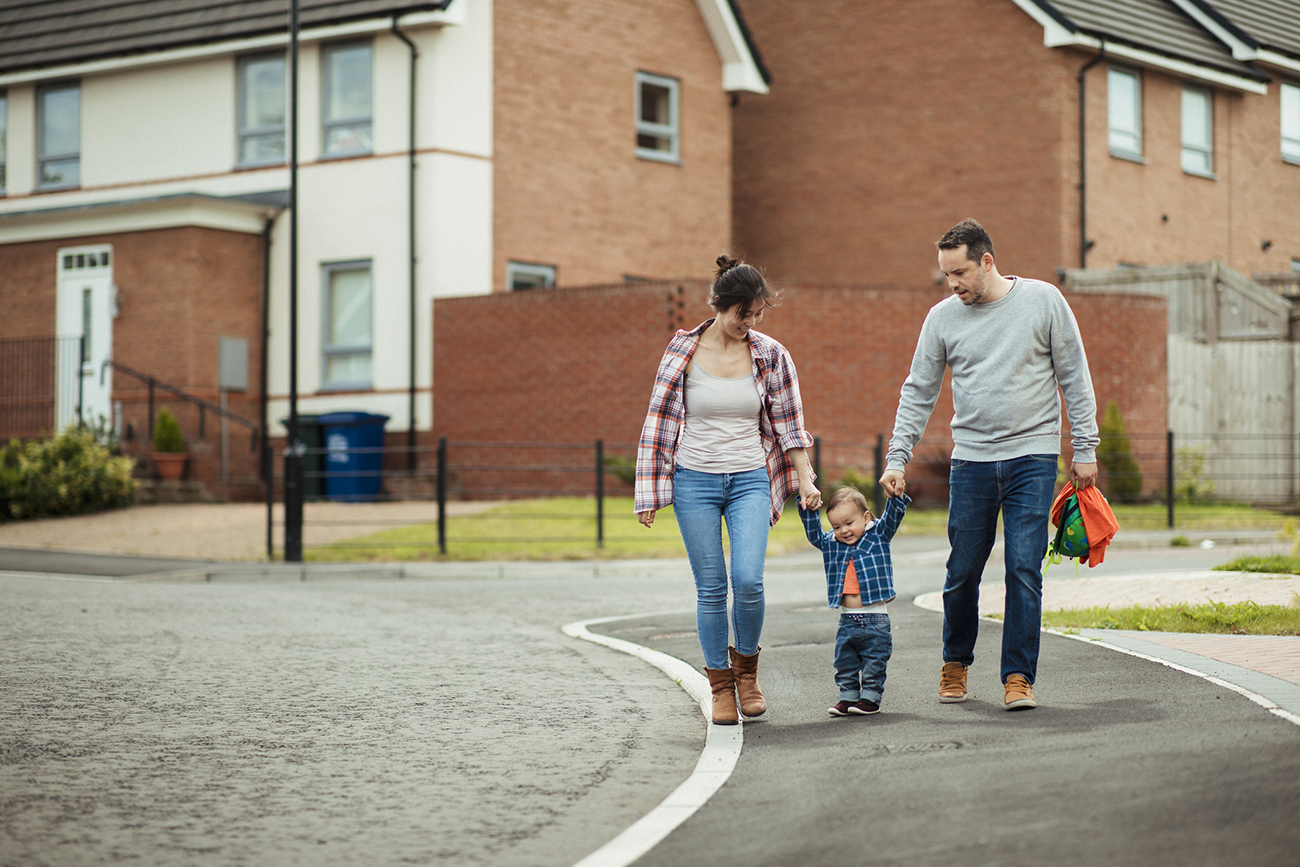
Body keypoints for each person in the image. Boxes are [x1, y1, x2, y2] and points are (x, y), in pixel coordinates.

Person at [879, 218, 1098, 711]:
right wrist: (897, 457)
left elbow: (1074, 376)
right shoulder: (941, 318)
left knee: (1023, 568)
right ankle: (955, 661)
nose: (952, 284)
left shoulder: (1043, 301)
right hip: (972, 461)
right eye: (945, 275)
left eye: (959, 273)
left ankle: (1018, 676)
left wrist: (1084, 447)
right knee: (962, 572)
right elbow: (918, 390)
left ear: (986, 261)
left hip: (1032, 456)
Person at [636, 255, 820, 726]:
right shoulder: (682, 351)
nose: (750, 322)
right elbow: (659, 421)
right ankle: (720, 685)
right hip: (693, 480)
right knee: (712, 588)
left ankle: (747, 674)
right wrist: (650, 490)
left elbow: (789, 424)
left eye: (757, 314)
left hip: (749, 479)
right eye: (744, 313)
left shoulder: (771, 355)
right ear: (720, 304)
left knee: (749, 580)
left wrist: (805, 478)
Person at [799, 486, 909, 717]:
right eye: (837, 526)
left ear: (866, 517)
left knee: (874, 662)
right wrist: (809, 510)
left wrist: (895, 497)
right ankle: (847, 697)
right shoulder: (831, 543)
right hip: (847, 620)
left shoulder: (878, 535)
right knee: (845, 662)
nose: (844, 531)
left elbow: (893, 517)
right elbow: (815, 535)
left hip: (876, 620)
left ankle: (870, 699)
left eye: (849, 523)